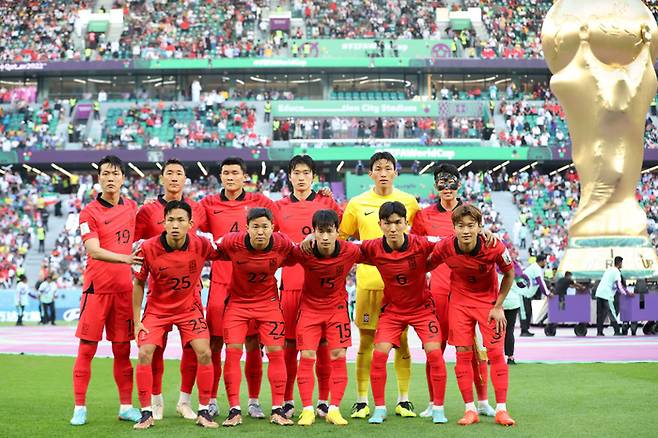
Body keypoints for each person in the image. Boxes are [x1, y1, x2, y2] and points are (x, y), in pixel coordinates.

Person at [339, 152, 420, 419]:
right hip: (368, 284)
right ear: (370, 173)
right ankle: (362, 400)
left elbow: (421, 239)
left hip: (401, 287)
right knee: (366, 342)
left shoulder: (410, 203)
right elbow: (342, 239)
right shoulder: (357, 203)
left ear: (396, 173)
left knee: (403, 342)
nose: (383, 172)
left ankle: (404, 400)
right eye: (378, 168)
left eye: (388, 168)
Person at [411, 164, 495, 417]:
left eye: (451, 182)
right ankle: (434, 403)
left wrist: (487, 231)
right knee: (435, 349)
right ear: (435, 186)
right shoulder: (423, 216)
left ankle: (482, 402)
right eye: (441, 182)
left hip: (469, 293)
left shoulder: (470, 213)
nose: (446, 187)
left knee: (473, 349)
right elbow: (416, 251)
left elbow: (484, 241)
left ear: (459, 184)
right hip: (437, 292)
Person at [200, 157, 279, 419]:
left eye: (235, 172)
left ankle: (253, 401)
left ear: (244, 176)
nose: (230, 177)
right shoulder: (208, 204)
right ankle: (211, 400)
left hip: (252, 287)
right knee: (215, 343)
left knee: (253, 343)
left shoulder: (262, 203)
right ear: (220, 176)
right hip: (220, 285)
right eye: (225, 173)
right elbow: (187, 224)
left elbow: (281, 226)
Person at [132, 200, 220, 430]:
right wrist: (137, 320)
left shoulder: (201, 244)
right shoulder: (148, 247)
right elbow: (139, 283)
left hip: (188, 308)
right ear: (163, 222)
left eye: (181, 220)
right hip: (157, 310)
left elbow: (227, 251)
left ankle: (203, 411)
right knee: (144, 352)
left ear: (190, 224)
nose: (175, 225)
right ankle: (146, 412)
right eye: (170, 220)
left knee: (204, 353)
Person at [359, 202, 448, 425]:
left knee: (435, 354)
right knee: (379, 354)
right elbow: (344, 248)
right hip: (392, 311)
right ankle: (379, 409)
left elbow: (449, 241)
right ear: (380, 225)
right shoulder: (372, 247)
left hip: (422, 309)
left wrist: (484, 234)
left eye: (398, 222)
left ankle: (438, 408)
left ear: (406, 223)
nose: (393, 228)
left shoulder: (421, 243)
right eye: (387, 223)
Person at [429, 204, 516, 427]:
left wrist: (498, 306)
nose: (466, 230)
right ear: (454, 228)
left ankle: (502, 409)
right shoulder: (445, 247)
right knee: (462, 354)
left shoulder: (494, 246)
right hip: (459, 304)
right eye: (460, 225)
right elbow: (426, 263)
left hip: (488, 305)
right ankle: (470, 409)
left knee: (496, 353)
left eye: (471, 225)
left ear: (479, 226)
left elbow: (509, 274)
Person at [70, 155, 142, 426]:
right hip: (96, 290)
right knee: (86, 349)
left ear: (123, 178)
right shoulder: (89, 212)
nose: (110, 178)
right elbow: (93, 250)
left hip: (124, 291)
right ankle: (79, 407)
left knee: (123, 351)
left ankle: (126, 406)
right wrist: (125, 258)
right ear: (98, 178)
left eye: (115, 174)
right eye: (105, 174)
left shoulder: (132, 207)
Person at [275, 155, 343, 420]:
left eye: (306, 173)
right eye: (296, 172)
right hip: (291, 285)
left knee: (324, 347)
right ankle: (288, 400)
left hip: (323, 287)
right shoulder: (278, 206)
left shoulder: (327, 203)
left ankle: (324, 401)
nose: (301, 177)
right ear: (289, 176)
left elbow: (342, 237)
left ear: (313, 176)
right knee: (290, 347)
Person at [215, 208, 294, 427]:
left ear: (272, 227)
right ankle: (234, 410)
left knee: (277, 352)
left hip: (268, 305)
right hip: (238, 304)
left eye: (265, 226)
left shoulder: (283, 244)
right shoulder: (232, 242)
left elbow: (301, 254)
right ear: (247, 228)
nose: (260, 231)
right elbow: (208, 250)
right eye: (255, 227)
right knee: (232, 353)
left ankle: (278, 409)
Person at [286, 210, 361, 426]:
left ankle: (334, 408)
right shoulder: (303, 251)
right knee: (307, 355)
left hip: (336, 309)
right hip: (309, 309)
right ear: (314, 232)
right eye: (321, 232)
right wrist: (303, 241)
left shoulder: (350, 251)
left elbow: (377, 251)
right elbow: (283, 252)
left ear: (338, 232)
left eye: (330, 231)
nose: (326, 237)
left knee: (338, 355)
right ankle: (307, 409)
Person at [595, 256, 633, 336]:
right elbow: (619, 285)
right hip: (607, 294)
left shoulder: (608, 270)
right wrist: (627, 293)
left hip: (599, 293)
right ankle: (617, 331)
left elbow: (613, 285)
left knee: (600, 314)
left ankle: (599, 332)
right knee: (612, 312)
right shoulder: (617, 272)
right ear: (619, 263)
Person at [519, 254, 549, 337]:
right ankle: (523, 330)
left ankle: (526, 329)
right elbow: (540, 282)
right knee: (525, 312)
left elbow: (540, 282)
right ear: (542, 261)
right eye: (545, 261)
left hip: (527, 295)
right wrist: (547, 293)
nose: (546, 263)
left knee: (529, 312)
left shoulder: (537, 268)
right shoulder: (535, 268)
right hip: (522, 293)